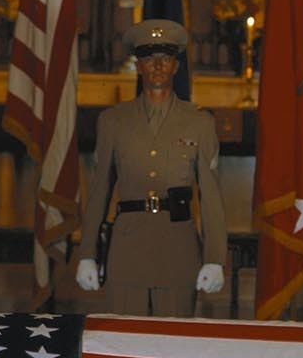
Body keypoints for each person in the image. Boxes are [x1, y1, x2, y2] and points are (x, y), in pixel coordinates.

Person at [73, 18, 227, 316]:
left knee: (173, 349)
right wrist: (87, 254)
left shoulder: (199, 123)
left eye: (165, 58)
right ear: (138, 66)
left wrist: (214, 258)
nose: (157, 66)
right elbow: (99, 190)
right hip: (128, 252)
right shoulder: (114, 121)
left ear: (176, 66)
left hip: (178, 251)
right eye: (148, 58)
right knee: (124, 345)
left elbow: (211, 197)